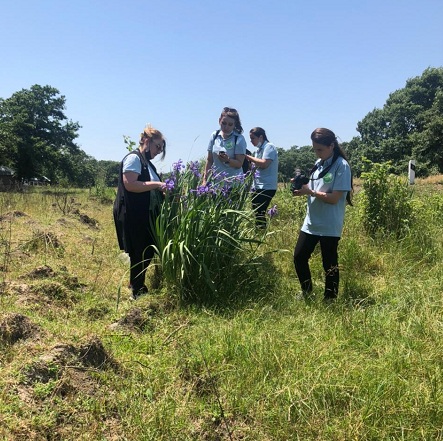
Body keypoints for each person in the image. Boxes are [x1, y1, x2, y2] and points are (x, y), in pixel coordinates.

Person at [292, 128, 352, 302]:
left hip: (329, 223)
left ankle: (330, 298)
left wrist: (310, 192)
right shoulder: (319, 163)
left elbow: (334, 198)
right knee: (299, 256)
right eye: (315, 149)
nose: (317, 153)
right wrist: (300, 187)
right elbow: (314, 188)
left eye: (320, 149)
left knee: (329, 264)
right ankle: (307, 292)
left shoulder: (342, 166)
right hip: (312, 221)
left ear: (331, 145)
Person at [113, 125, 166, 300]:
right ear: (147, 141)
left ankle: (136, 284)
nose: (159, 151)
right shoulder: (134, 159)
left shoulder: (147, 163)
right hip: (133, 213)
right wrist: (158, 185)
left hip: (145, 213)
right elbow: (130, 184)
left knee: (145, 250)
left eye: (161, 148)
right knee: (139, 250)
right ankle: (136, 290)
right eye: (158, 146)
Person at [203, 107, 247, 184]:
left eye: (230, 124)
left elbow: (239, 164)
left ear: (234, 125)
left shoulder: (239, 139)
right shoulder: (214, 135)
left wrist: (228, 160)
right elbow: (209, 160)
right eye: (223, 123)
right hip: (216, 183)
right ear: (219, 120)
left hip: (234, 184)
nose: (226, 127)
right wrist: (205, 180)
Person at [246, 127, 279, 227]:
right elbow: (254, 168)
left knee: (260, 211)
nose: (251, 141)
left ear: (261, 137)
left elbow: (264, 164)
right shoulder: (258, 151)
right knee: (257, 212)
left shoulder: (269, 147)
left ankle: (261, 232)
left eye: (253, 138)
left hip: (267, 186)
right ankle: (259, 232)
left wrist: (247, 156)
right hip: (257, 186)